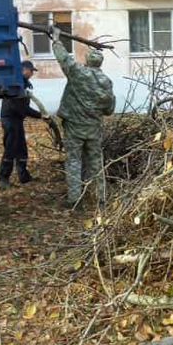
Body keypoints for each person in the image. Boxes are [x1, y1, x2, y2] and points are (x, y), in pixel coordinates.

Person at [51, 27, 115, 209]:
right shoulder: (106, 82)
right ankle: (101, 199)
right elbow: (109, 110)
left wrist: (56, 40)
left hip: (74, 128)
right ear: (100, 63)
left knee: (74, 161)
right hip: (94, 129)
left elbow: (65, 60)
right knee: (96, 162)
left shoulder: (78, 74)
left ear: (87, 61)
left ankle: (75, 200)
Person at [0, 60, 46, 189]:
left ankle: (24, 176)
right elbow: (22, 109)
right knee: (10, 149)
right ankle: (3, 179)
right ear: (24, 70)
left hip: (17, 119)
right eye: (31, 71)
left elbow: (22, 108)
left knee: (21, 149)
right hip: (10, 120)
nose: (32, 74)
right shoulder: (16, 84)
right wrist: (41, 115)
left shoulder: (23, 84)